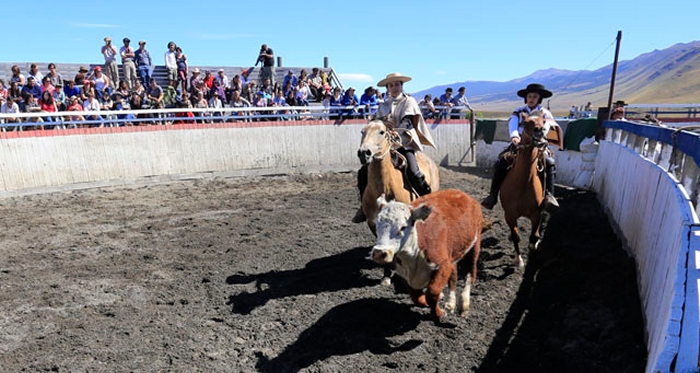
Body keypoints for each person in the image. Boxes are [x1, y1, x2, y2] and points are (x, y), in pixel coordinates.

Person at [352, 72, 436, 223]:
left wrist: (394, 130)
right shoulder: (383, 105)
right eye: (391, 85)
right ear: (387, 88)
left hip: (404, 142)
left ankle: (428, 203)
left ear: (401, 86)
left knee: (413, 171)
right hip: (385, 145)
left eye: (397, 84)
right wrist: (380, 121)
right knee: (363, 172)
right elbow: (376, 123)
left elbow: (408, 122)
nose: (394, 87)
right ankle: (364, 208)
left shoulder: (408, 101)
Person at [481, 83, 560, 210]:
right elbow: (513, 124)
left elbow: (550, 127)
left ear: (539, 98)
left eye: (534, 96)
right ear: (526, 98)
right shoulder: (518, 111)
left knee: (549, 163)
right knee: (501, 161)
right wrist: (514, 136)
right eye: (529, 96)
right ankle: (493, 195)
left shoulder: (545, 114)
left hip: (538, 144)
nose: (531, 99)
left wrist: (541, 137)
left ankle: (549, 196)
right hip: (520, 144)